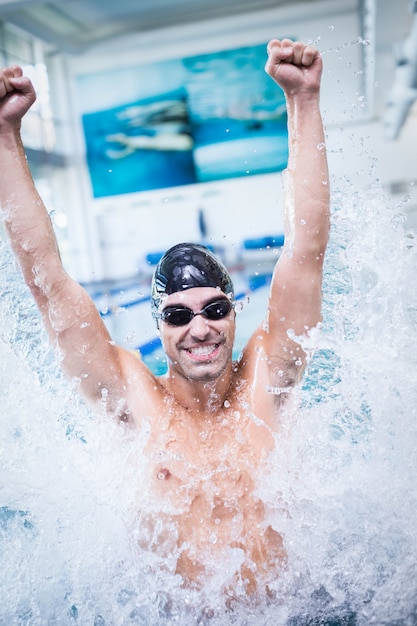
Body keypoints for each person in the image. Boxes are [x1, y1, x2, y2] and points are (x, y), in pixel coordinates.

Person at [0, 39, 330, 598]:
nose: (199, 328)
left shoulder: (266, 380)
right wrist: (6, 137)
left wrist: (303, 100)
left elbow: (306, 249)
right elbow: (47, 280)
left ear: (234, 311)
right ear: (158, 328)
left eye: (214, 309)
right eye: (177, 315)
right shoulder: (134, 398)